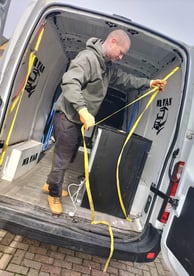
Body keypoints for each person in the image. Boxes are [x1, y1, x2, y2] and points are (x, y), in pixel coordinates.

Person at [43, 29, 167, 215]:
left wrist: (149, 83)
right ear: (113, 42)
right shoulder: (88, 58)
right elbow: (70, 82)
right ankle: (53, 194)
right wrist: (83, 110)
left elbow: (126, 80)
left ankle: (50, 183)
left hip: (77, 120)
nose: (121, 57)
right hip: (68, 116)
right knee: (63, 157)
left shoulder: (107, 67)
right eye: (121, 52)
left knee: (68, 156)